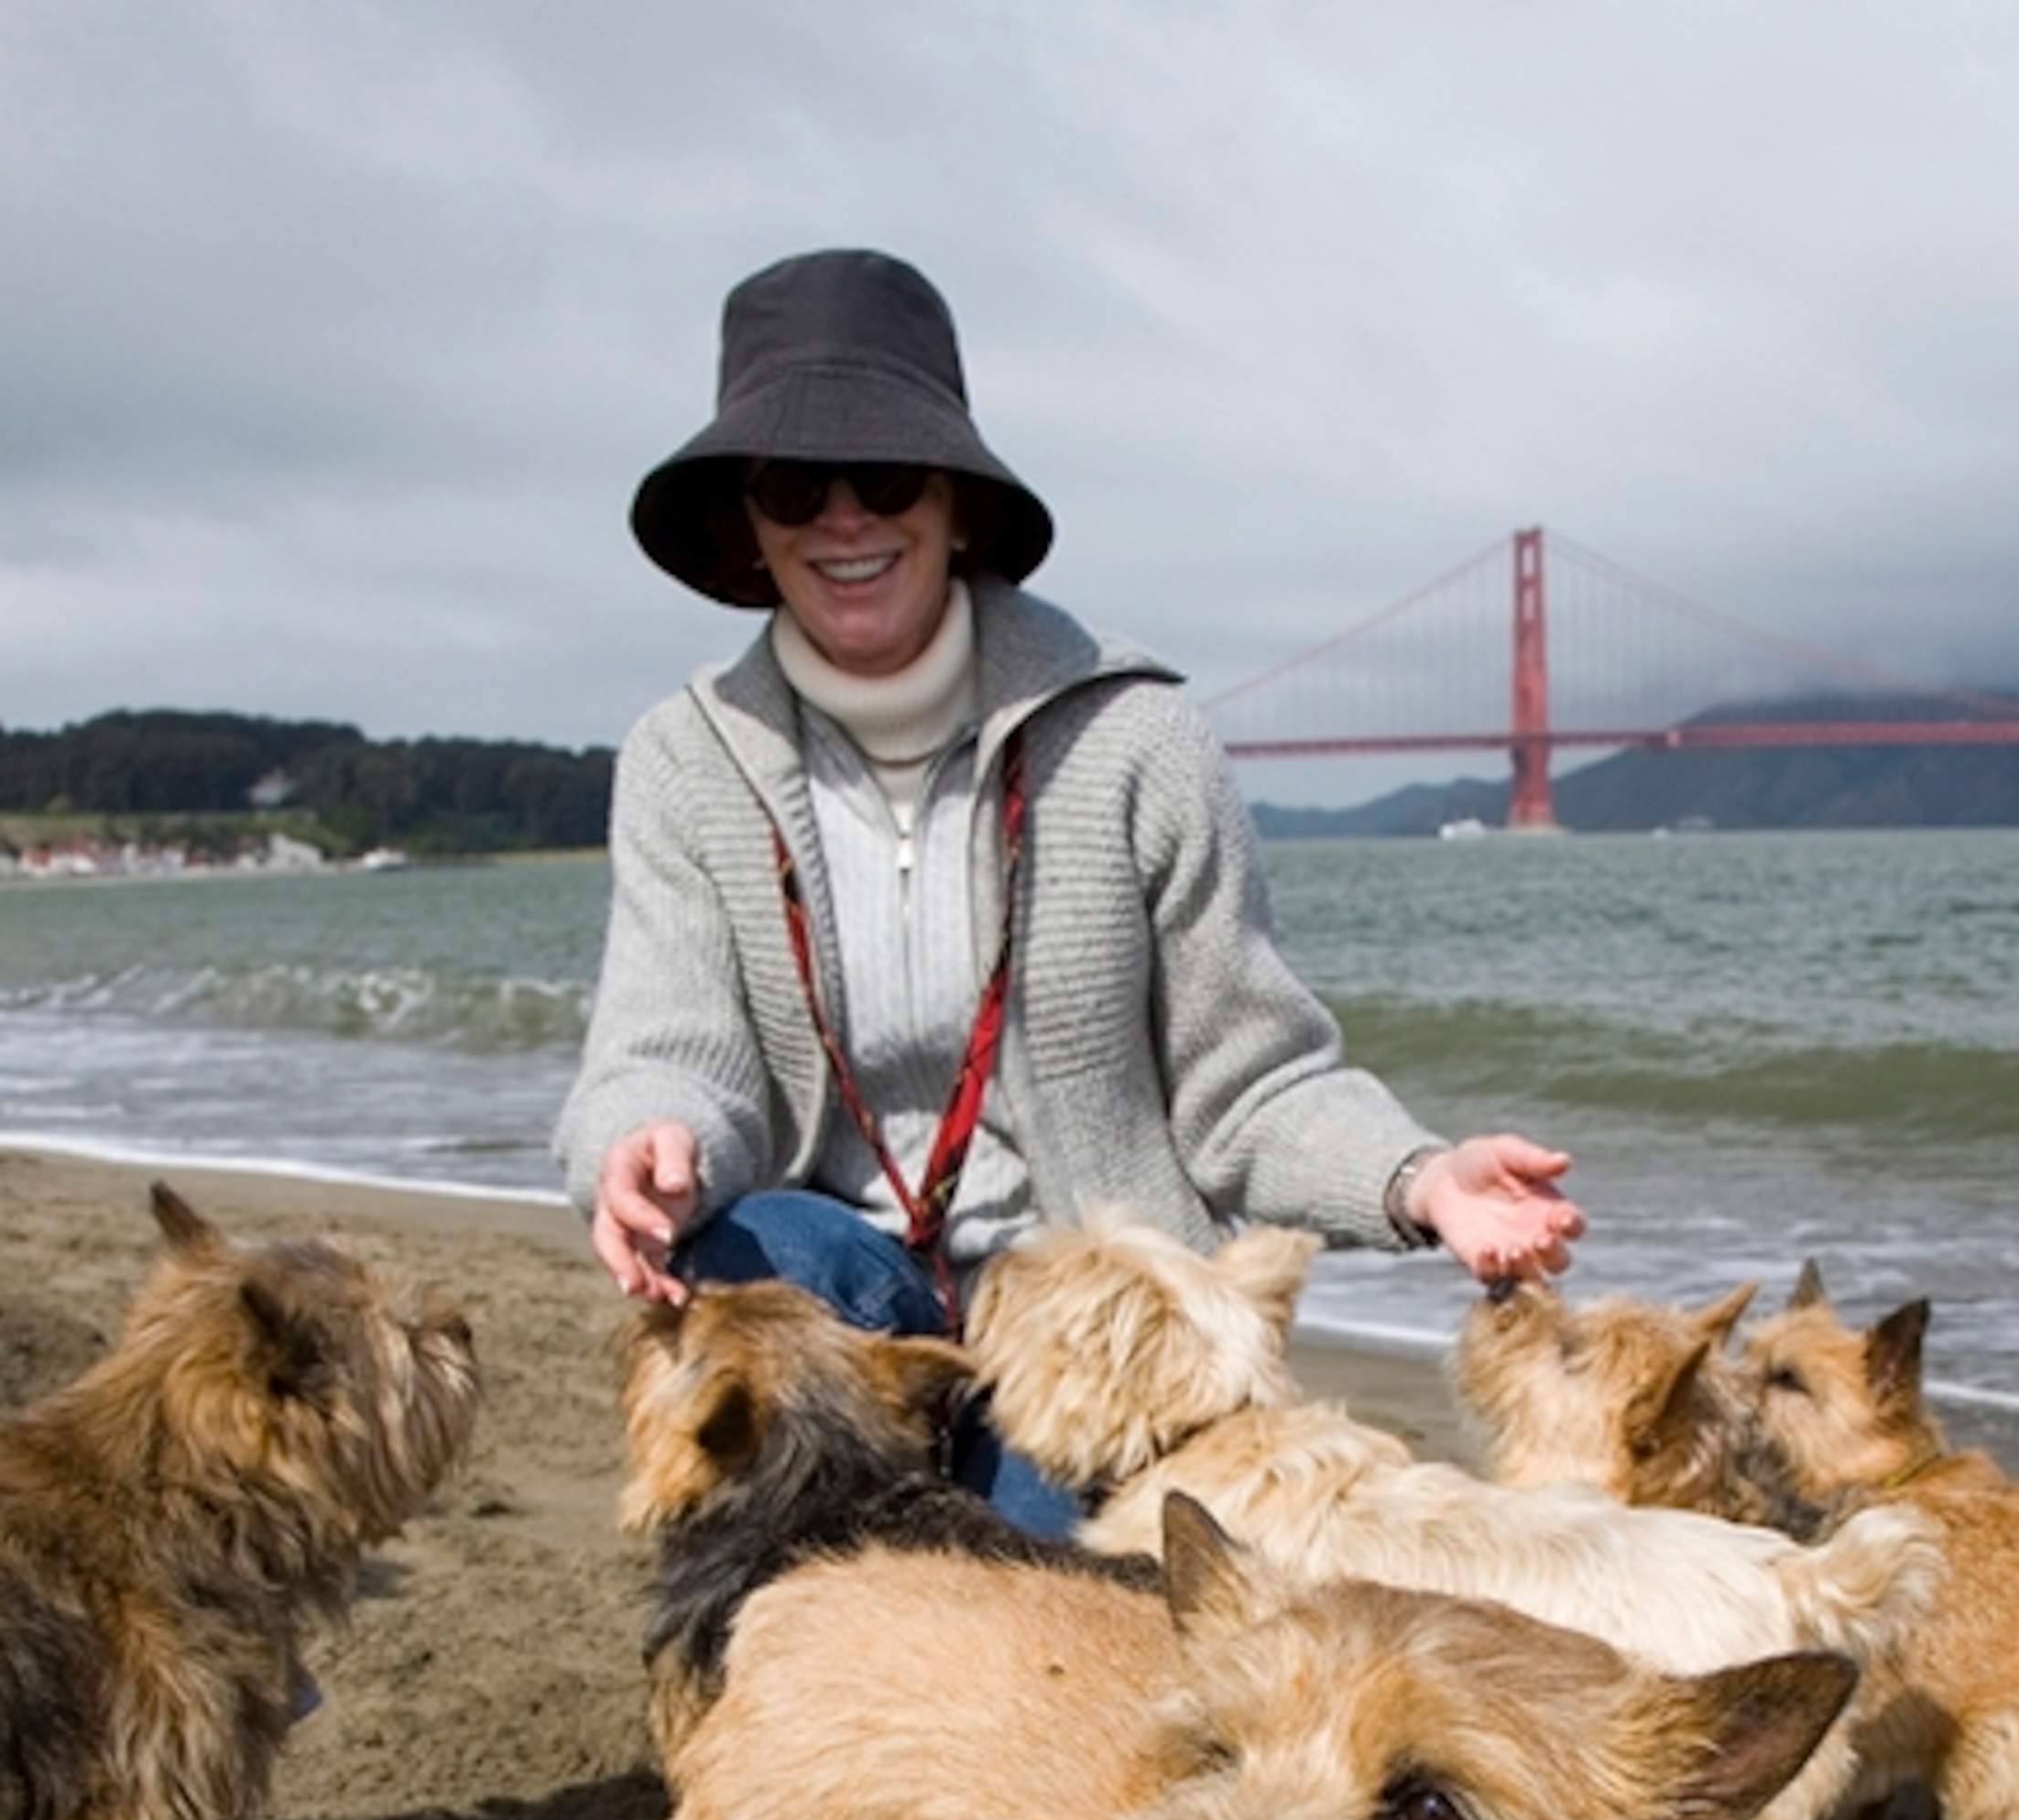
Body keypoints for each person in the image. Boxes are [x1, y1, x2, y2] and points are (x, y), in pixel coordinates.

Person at [556, 246, 1583, 1525]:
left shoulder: (1138, 739)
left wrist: (1422, 1179)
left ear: (958, 502)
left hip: (1087, 1317)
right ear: (744, 526)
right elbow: (666, 1057)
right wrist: (645, 1147)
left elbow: (1252, 1082)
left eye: (884, 475)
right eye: (791, 484)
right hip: (849, 1307)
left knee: (1043, 1606)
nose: (843, 518)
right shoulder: (681, 757)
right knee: (747, 1265)